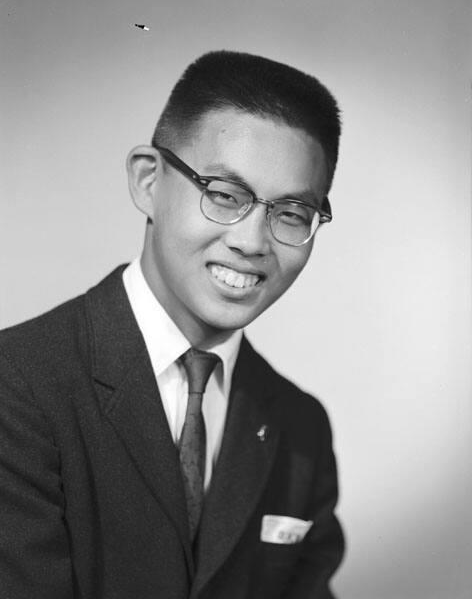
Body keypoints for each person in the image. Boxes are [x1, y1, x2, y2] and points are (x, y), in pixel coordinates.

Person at [0, 50, 344, 598]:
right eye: (225, 195)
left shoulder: (301, 429)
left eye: (291, 214)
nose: (252, 242)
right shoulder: (17, 385)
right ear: (148, 181)